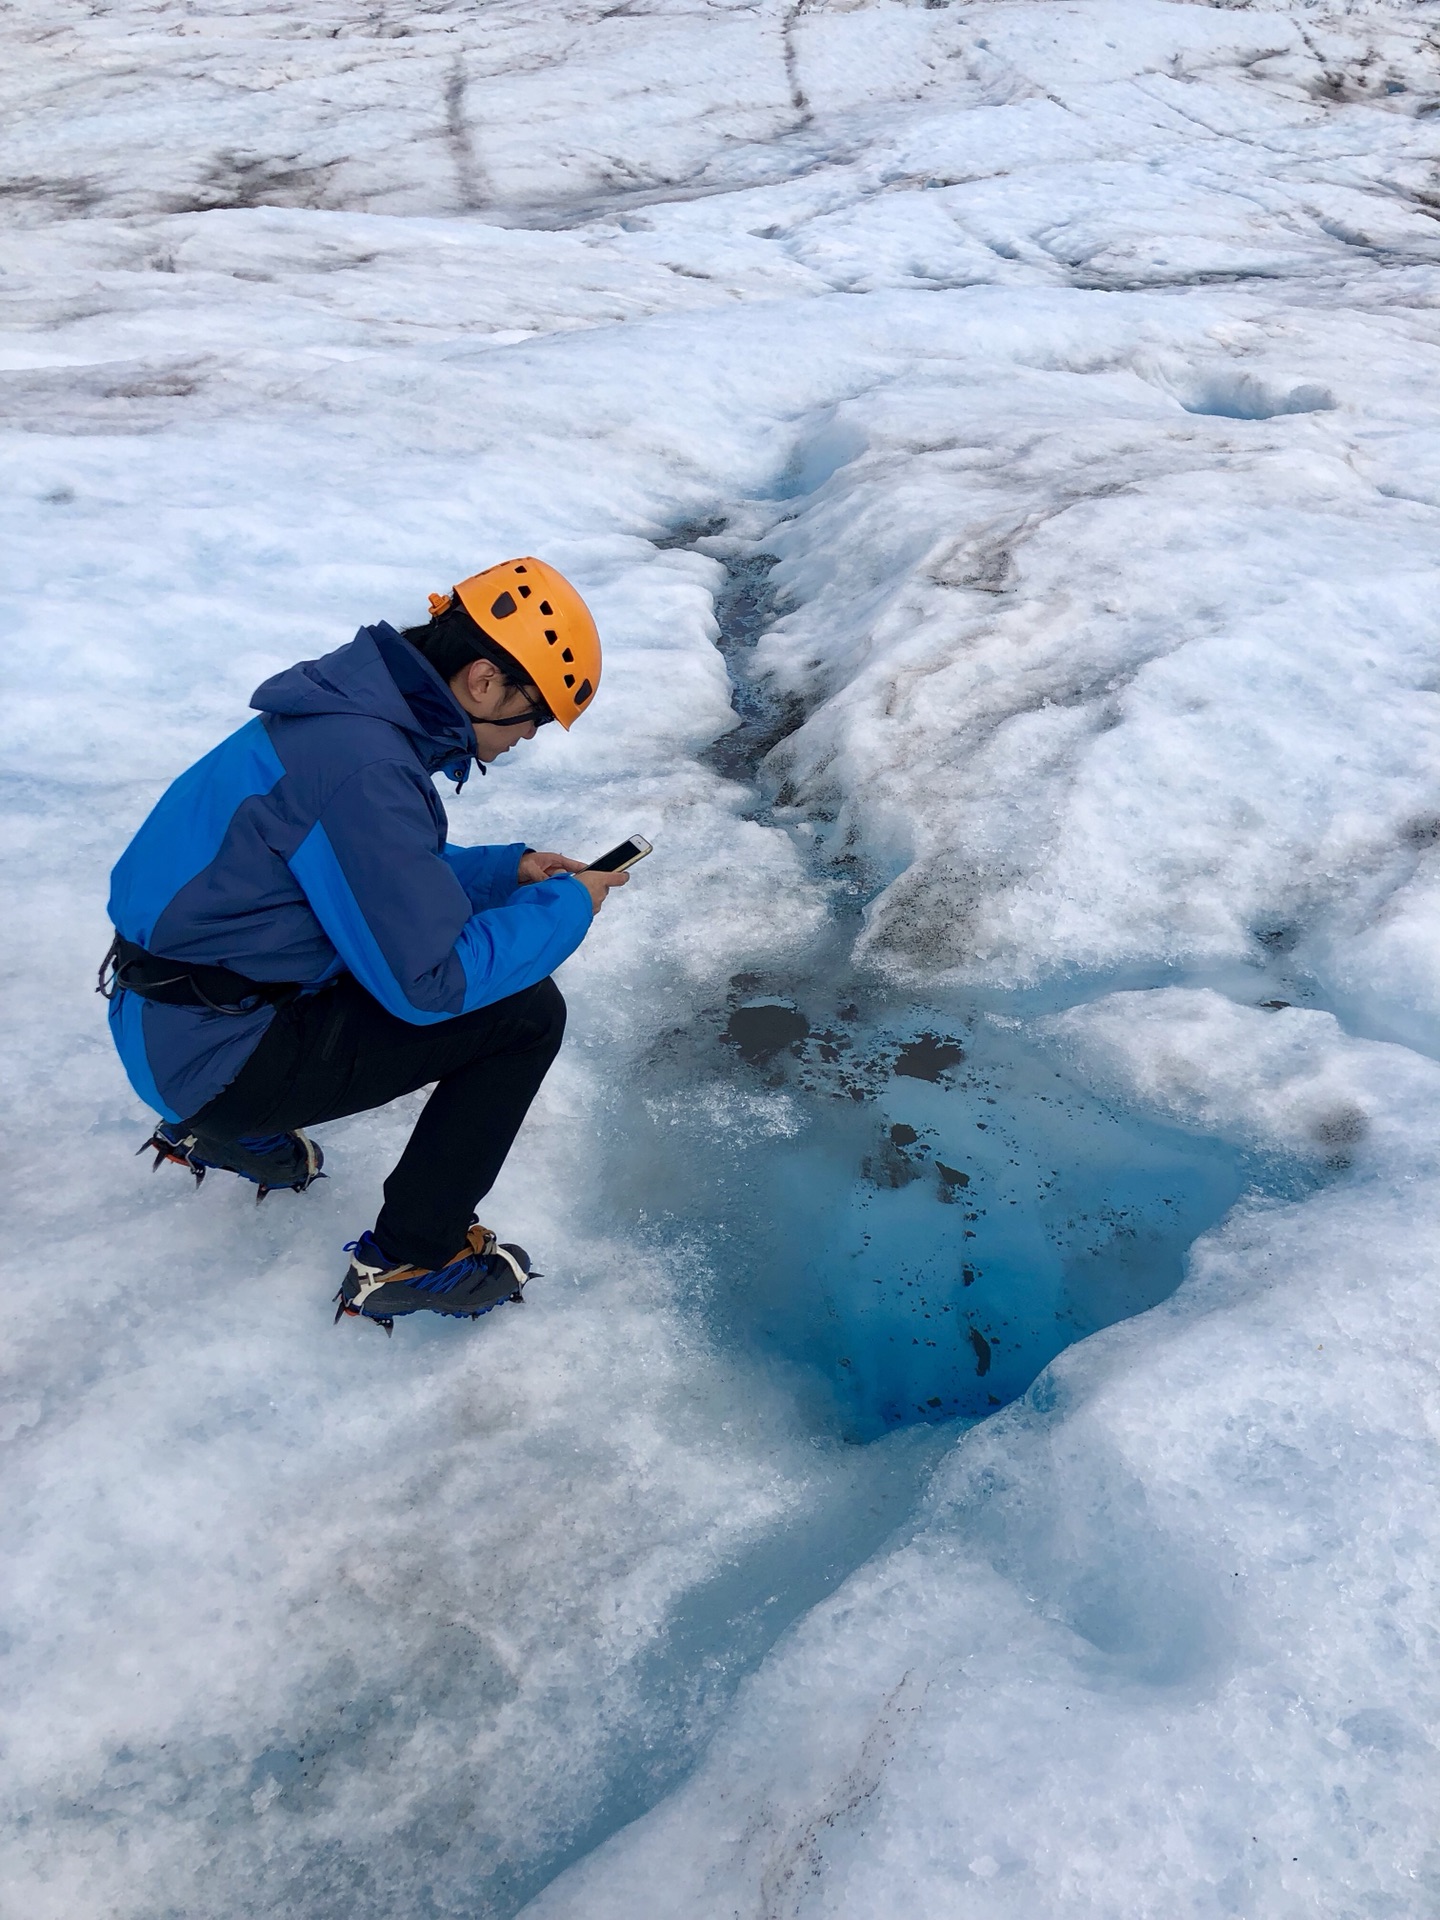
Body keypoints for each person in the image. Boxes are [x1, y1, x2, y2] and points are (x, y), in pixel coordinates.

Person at [100, 557, 628, 1331]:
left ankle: (226, 1131)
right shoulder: (369, 767)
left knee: (374, 951)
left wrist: (502, 871)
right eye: (533, 716)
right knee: (525, 1013)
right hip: (216, 1059)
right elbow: (431, 982)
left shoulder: (340, 718)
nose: (526, 738)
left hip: (163, 1018)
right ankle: (414, 1254)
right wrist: (565, 908)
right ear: (484, 681)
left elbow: (356, 870)